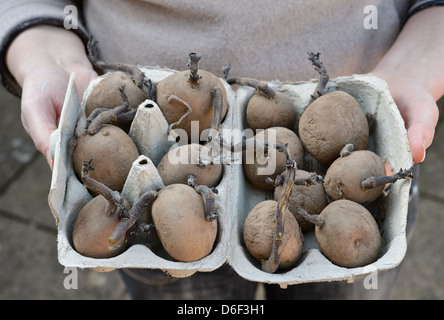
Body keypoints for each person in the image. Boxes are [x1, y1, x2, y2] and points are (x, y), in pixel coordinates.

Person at [0, 0, 442, 299]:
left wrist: (420, 59)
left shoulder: (322, 164)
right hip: (157, 171)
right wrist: (41, 42)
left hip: (378, 87)